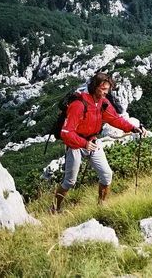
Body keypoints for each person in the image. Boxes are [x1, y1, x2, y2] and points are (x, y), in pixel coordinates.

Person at [51, 72, 146, 212]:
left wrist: (133, 128)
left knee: (107, 175)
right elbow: (66, 133)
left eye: (107, 89)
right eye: (103, 89)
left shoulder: (103, 102)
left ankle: (101, 206)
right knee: (70, 181)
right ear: (94, 86)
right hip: (76, 145)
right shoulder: (78, 104)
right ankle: (55, 208)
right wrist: (84, 144)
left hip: (93, 141)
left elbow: (115, 119)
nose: (106, 92)